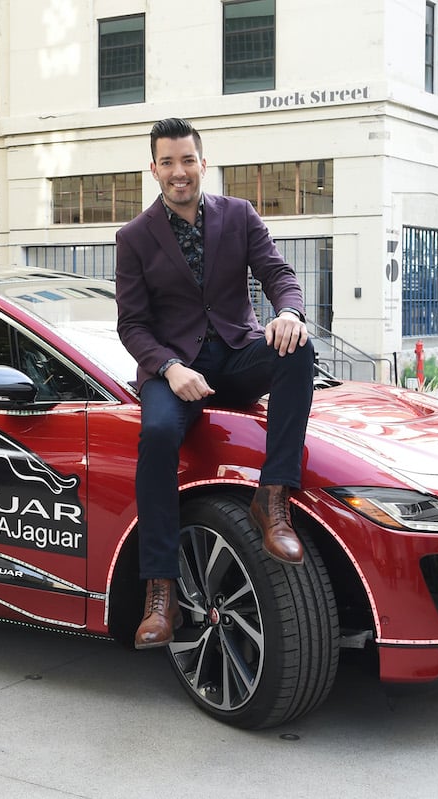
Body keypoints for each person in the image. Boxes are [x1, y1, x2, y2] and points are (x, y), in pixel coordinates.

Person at [115, 117, 315, 649]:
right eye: (167, 162)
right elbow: (131, 325)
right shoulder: (133, 238)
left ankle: (272, 500)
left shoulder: (240, 215)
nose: (179, 172)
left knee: (299, 351)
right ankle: (162, 592)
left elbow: (279, 274)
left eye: (188, 160)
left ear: (204, 163)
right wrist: (169, 369)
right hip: (174, 370)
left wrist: (289, 312)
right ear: (153, 169)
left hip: (234, 354)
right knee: (156, 436)